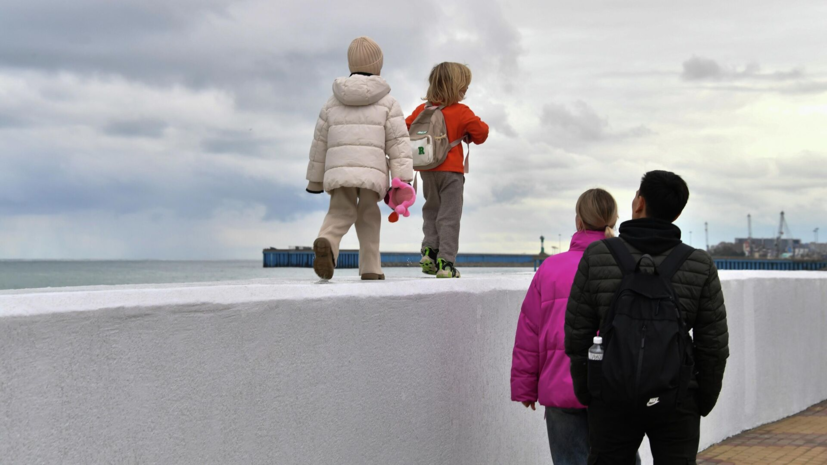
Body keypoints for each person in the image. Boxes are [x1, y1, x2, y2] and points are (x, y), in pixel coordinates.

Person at [565, 171, 730, 464]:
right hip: (677, 398)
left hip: (612, 396)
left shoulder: (598, 255)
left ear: (639, 203)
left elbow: (577, 334)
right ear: (677, 213)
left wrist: (590, 392)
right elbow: (713, 345)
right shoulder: (699, 264)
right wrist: (700, 401)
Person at [511, 189, 640, 465]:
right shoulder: (629, 265)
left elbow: (529, 331)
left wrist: (525, 386)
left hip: (561, 385)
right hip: (616, 387)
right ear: (614, 220)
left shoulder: (549, 268)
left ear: (578, 221)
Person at [305, 36, 412, 281]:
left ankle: (328, 240)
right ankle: (371, 268)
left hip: (338, 170)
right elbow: (398, 143)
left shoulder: (332, 103)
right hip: (371, 172)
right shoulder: (388, 103)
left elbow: (319, 143)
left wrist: (315, 180)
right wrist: (402, 179)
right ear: (378, 66)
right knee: (368, 215)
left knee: (339, 211)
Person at [405, 62, 489, 278]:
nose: (466, 90)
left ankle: (429, 252)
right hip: (451, 172)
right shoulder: (461, 111)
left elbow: (404, 128)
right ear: (455, 87)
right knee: (449, 216)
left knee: (431, 211)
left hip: (427, 170)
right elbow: (482, 133)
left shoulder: (422, 110)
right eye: (464, 86)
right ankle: (446, 263)